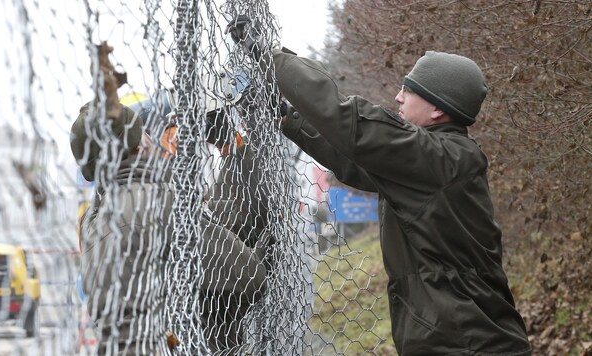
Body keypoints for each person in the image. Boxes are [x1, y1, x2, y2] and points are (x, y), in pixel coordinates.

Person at [228, 17, 532, 355]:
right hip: (463, 338)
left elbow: (353, 125)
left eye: (410, 90)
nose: (399, 97)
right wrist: (286, 115)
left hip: (468, 343)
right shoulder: (434, 162)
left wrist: (269, 57)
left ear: (436, 108)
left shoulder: (440, 157)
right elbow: (355, 162)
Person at [71, 83, 272, 354]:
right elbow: (250, 277)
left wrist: (231, 152)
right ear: (140, 143)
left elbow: (213, 240)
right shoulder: (157, 201)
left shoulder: (94, 220)